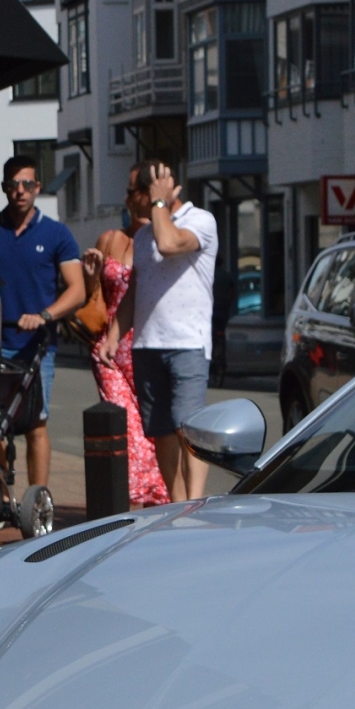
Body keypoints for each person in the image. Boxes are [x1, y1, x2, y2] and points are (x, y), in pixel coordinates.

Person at [0, 154, 88, 508]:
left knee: (36, 424)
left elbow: (77, 290)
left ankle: (38, 502)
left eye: (27, 184)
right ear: (4, 188)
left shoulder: (56, 233)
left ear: (38, 188)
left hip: (37, 347)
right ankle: (0, 500)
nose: (19, 191)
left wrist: (44, 315)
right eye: (12, 185)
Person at [129, 160, 219, 502]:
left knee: (189, 429)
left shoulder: (200, 221)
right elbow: (136, 288)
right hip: (147, 343)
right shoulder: (141, 236)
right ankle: (177, 504)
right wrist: (113, 336)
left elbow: (169, 244)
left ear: (154, 190)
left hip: (188, 343)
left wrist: (159, 203)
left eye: (133, 191)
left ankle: (195, 502)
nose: (128, 200)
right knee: (163, 433)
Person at [94, 183, 168, 507]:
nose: (134, 196)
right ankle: (135, 499)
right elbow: (92, 297)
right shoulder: (110, 239)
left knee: (156, 434)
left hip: (149, 345)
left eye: (140, 188)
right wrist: (89, 275)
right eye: (130, 189)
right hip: (111, 349)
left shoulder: (161, 240)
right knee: (129, 431)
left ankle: (160, 502)